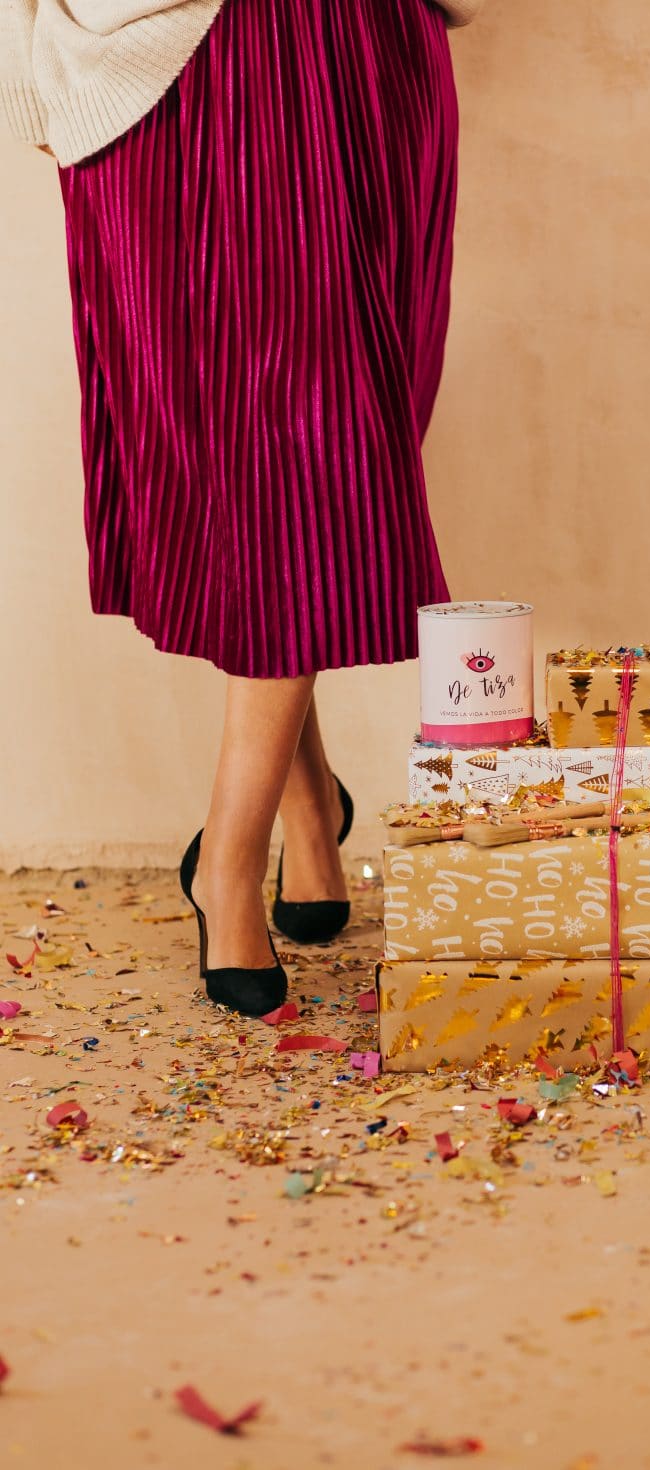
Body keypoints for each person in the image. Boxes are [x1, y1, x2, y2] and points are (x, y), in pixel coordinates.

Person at [0, 0, 484, 1015]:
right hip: (158, 70)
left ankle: (244, 841)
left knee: (320, 462)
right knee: (233, 477)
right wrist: (25, 69)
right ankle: (282, 820)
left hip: (359, 47)